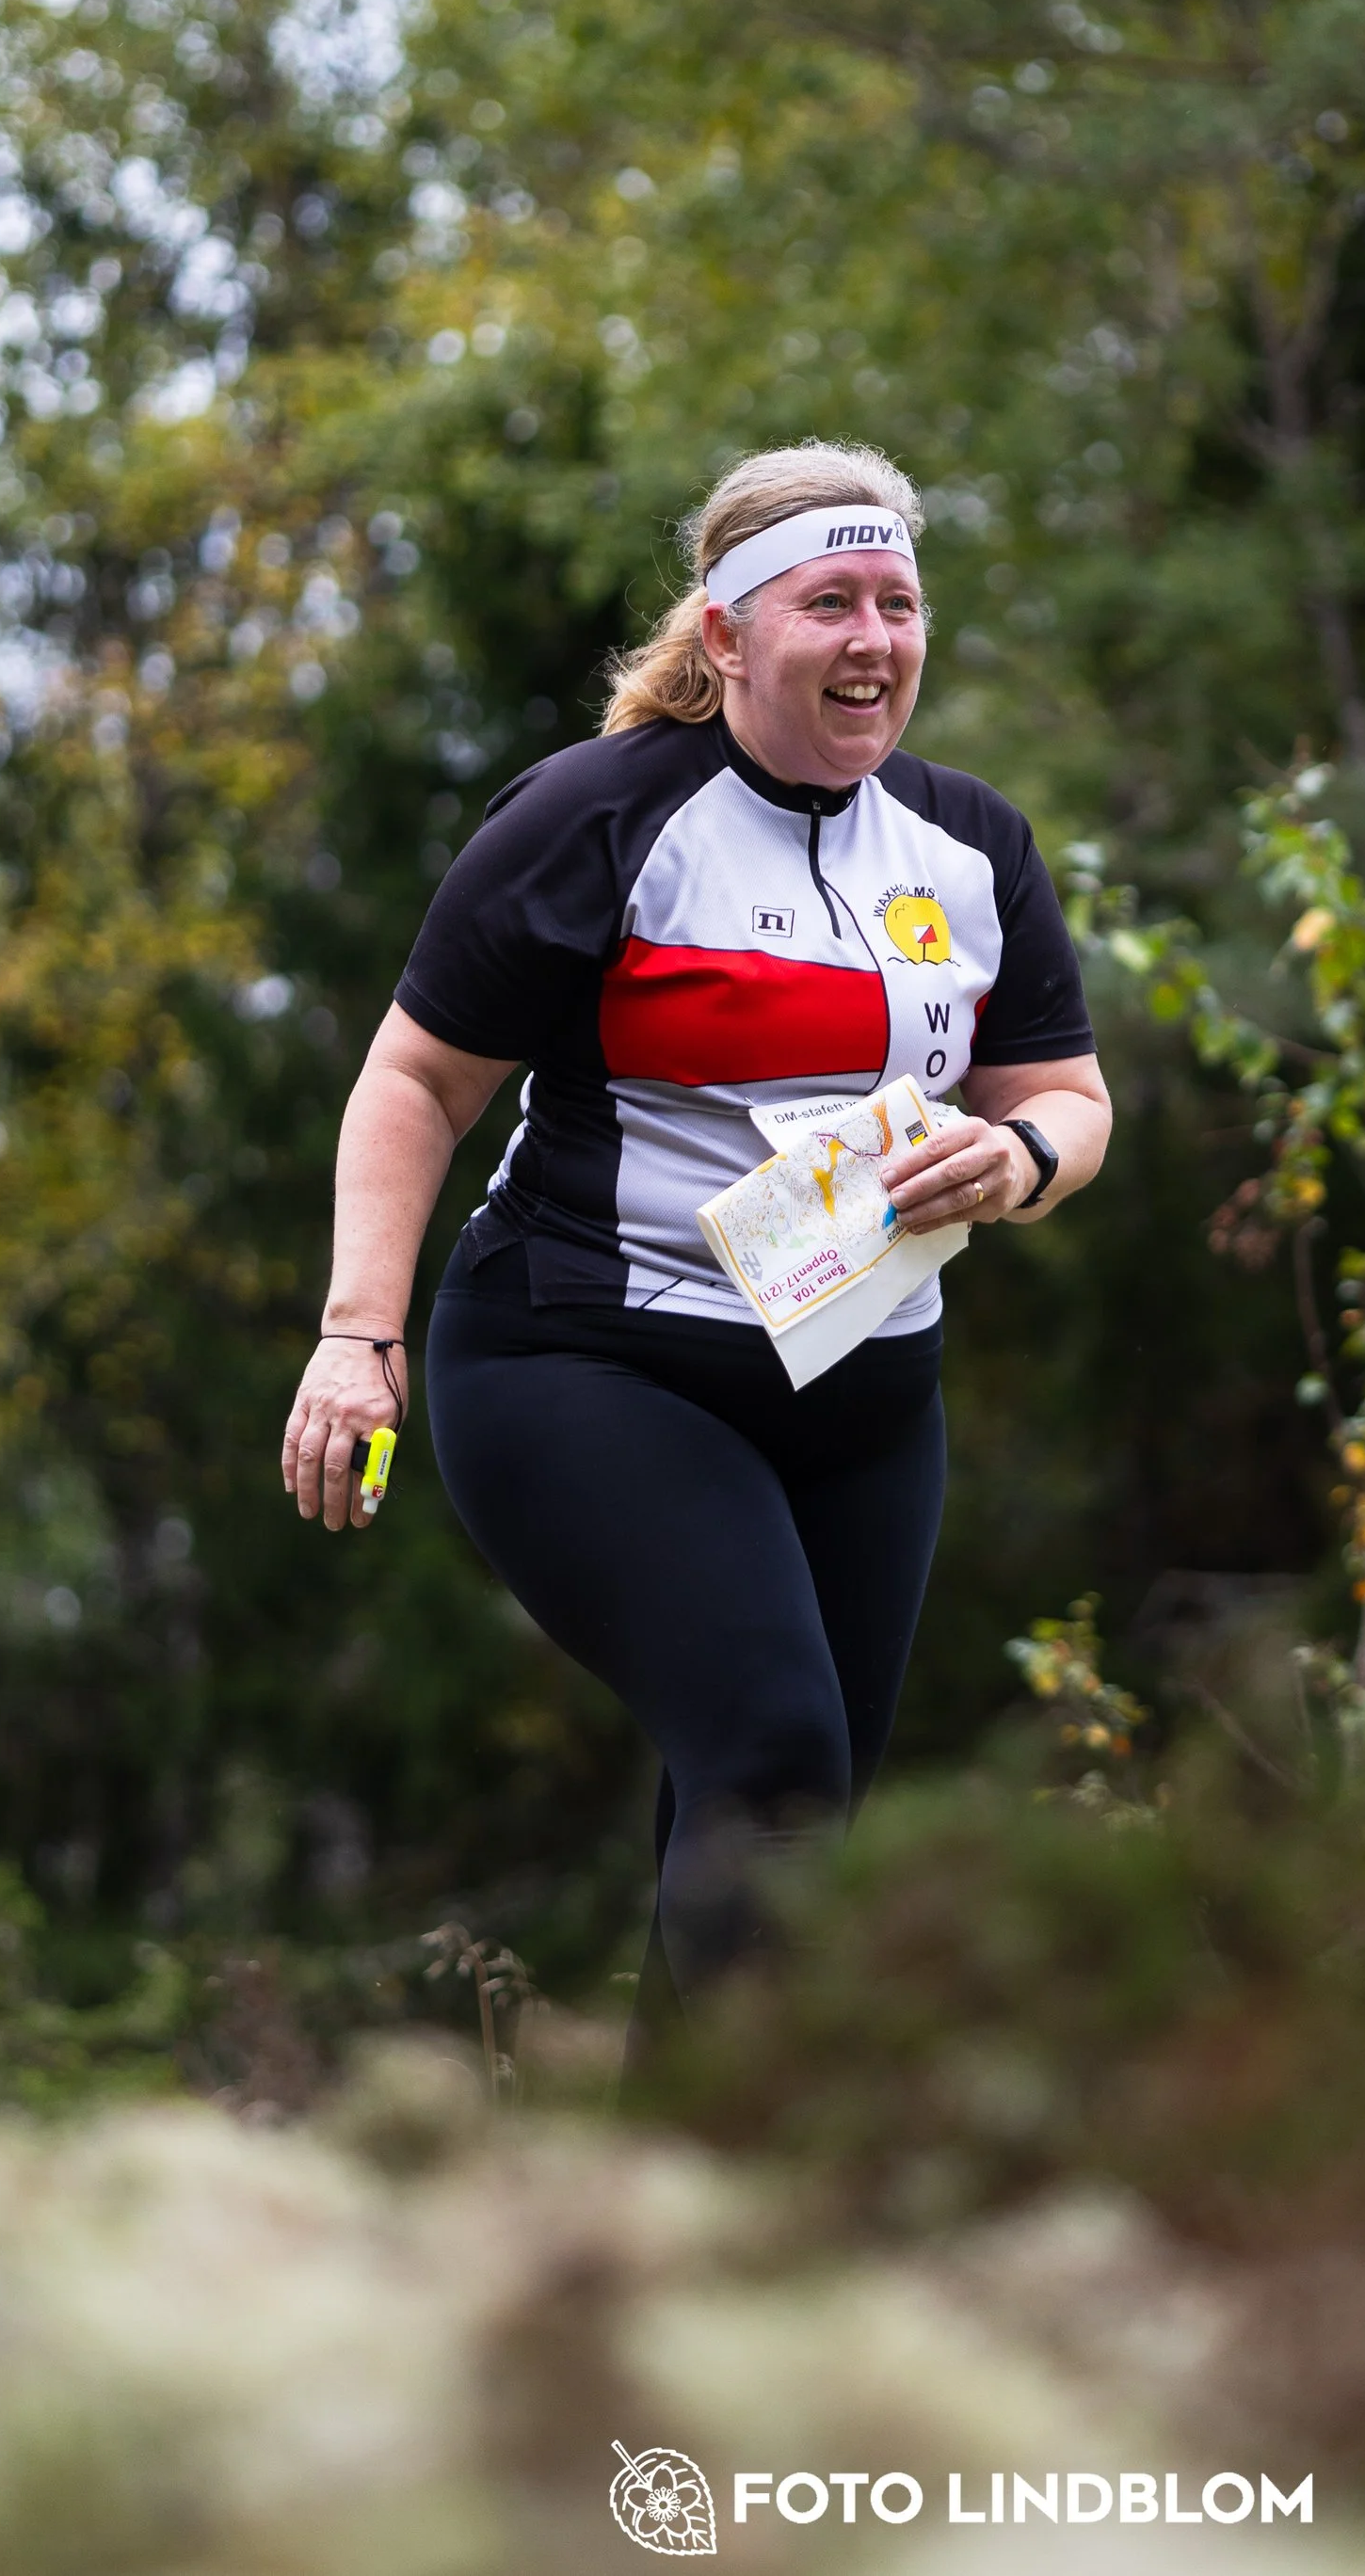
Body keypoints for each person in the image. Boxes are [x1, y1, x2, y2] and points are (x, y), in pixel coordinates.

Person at [279, 440, 1110, 2022]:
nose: (874, 641)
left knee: (790, 1822)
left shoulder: (970, 845)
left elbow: (1069, 1096)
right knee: (777, 1762)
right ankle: (744, 2202)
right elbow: (413, 1082)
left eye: (899, 604)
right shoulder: (600, 819)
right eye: (830, 606)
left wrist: (1017, 1161)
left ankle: (675, 2215)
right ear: (726, 636)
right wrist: (352, 1338)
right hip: (591, 1360)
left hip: (864, 1396)